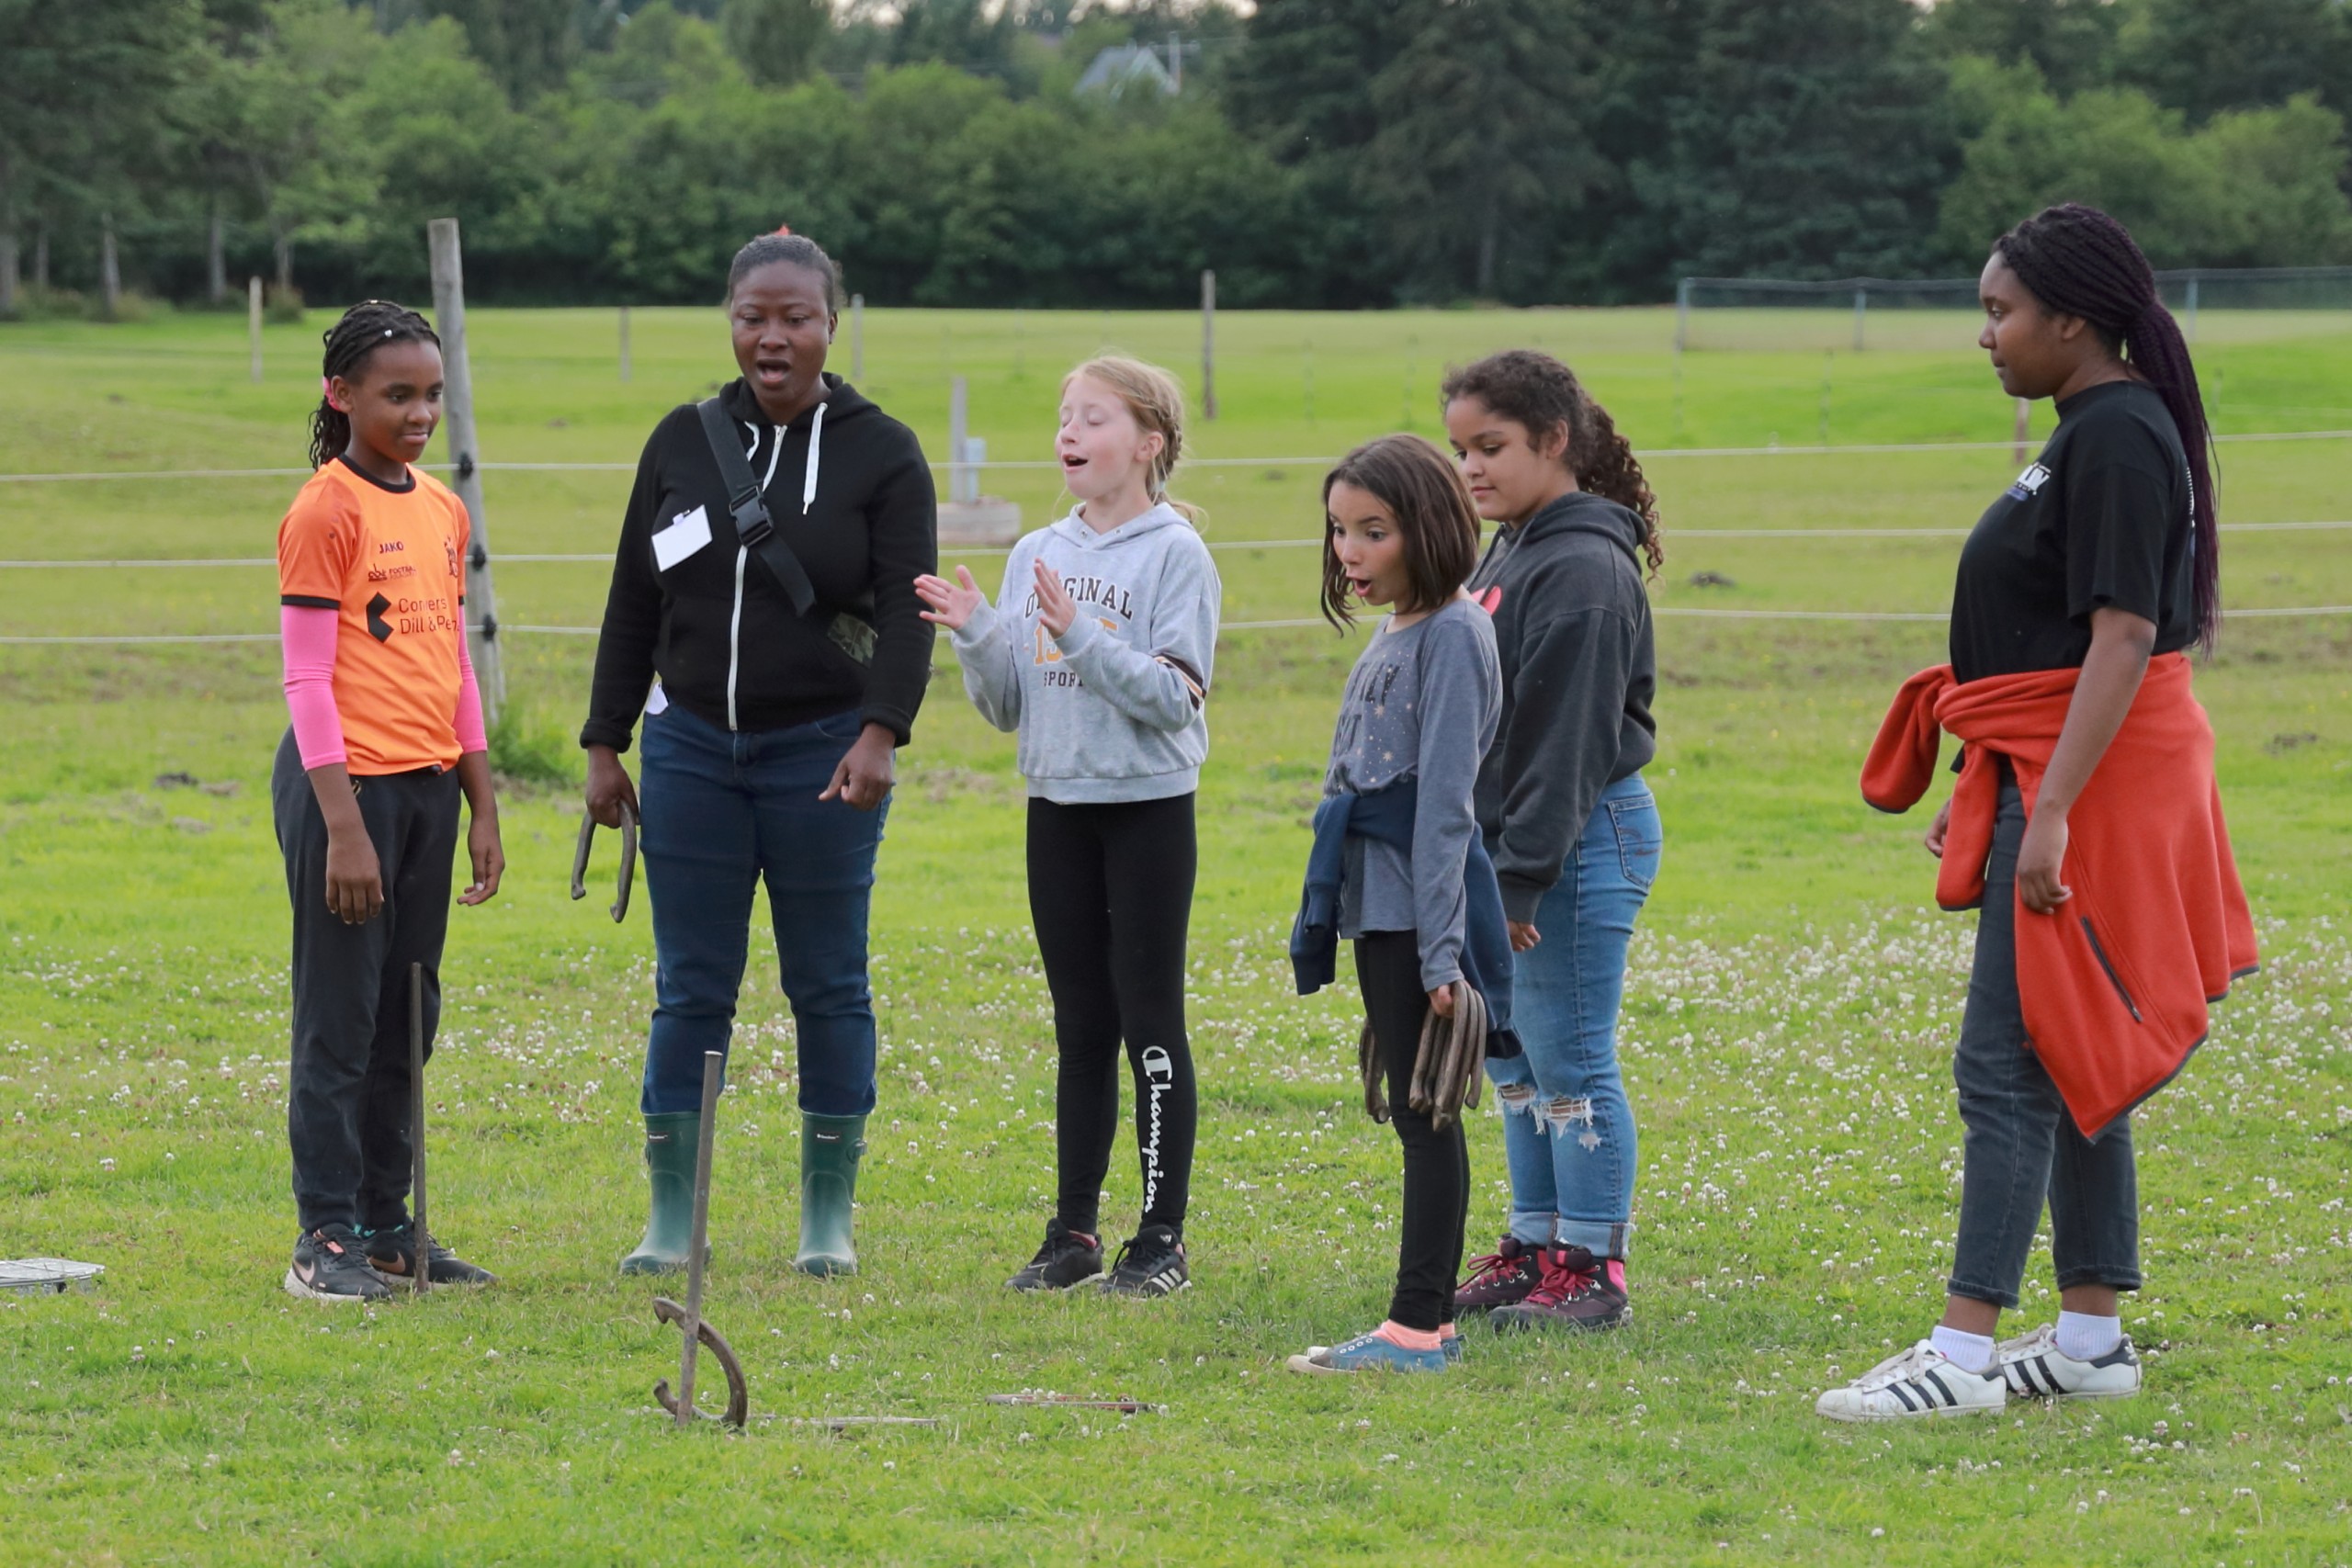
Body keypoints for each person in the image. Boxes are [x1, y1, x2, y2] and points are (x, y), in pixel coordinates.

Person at [1819, 204, 2256, 1421]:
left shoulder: (2115, 435)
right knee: (2071, 1052)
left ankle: (1960, 1357)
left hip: (2089, 787)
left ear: (2072, 318)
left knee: (2005, 1062)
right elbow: (2056, 638)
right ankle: (2088, 1340)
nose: (1985, 335)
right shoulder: (2090, 429)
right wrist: (1995, 773)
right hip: (2046, 767)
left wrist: (2051, 807)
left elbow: (2122, 636)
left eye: (2000, 310)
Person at [582, 232, 937, 1279]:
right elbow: (633, 596)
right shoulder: (681, 440)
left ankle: (826, 1216)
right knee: (690, 985)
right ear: (730, 323)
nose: (772, 338)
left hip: (824, 755)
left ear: (833, 325)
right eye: (752, 318)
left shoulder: (884, 452)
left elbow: (906, 612)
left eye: (794, 319)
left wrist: (881, 732)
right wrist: (605, 741)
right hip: (690, 749)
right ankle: (671, 1216)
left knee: (828, 982)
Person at [914, 356, 1218, 1298]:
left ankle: (1160, 1240)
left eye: (1093, 418)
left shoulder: (1175, 555)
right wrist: (978, 634)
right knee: (1081, 1027)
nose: (1069, 434)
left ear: (1149, 443)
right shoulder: (1035, 552)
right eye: (1064, 417)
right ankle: (1073, 1233)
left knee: (1149, 1023)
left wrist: (1080, 634)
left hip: (1148, 811)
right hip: (1057, 809)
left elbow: (1175, 697)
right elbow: (1009, 705)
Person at [274, 299, 504, 1302]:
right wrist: (343, 828)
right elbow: (305, 677)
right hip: (346, 793)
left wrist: (480, 800)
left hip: (427, 790)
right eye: (397, 395)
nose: (420, 415)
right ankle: (322, 1237)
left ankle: (386, 1226)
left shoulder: (443, 509)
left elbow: (453, 663)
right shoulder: (325, 510)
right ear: (341, 395)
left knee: (408, 1015)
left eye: (432, 395)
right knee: (341, 1016)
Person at [1441, 350, 1664, 1334]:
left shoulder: (1582, 568)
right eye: (1460, 450)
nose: (1471, 469)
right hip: (1508, 845)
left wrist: (1520, 880)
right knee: (1514, 1060)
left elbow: (1566, 742)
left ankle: (1591, 1264)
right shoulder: (1514, 547)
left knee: (1569, 1056)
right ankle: (1534, 1244)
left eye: (1489, 447)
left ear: (1554, 440)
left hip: (1572, 838)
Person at [1283, 434, 1503, 1374]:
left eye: (1374, 532)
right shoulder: (1399, 628)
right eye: (1340, 531)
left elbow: (1446, 804)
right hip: (1376, 904)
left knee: (1427, 1113)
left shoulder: (1454, 633)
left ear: (1429, 527)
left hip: (1416, 912)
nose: (1350, 553)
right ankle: (1426, 1322)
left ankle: (1416, 1328)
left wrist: (1441, 953)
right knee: (1418, 1111)